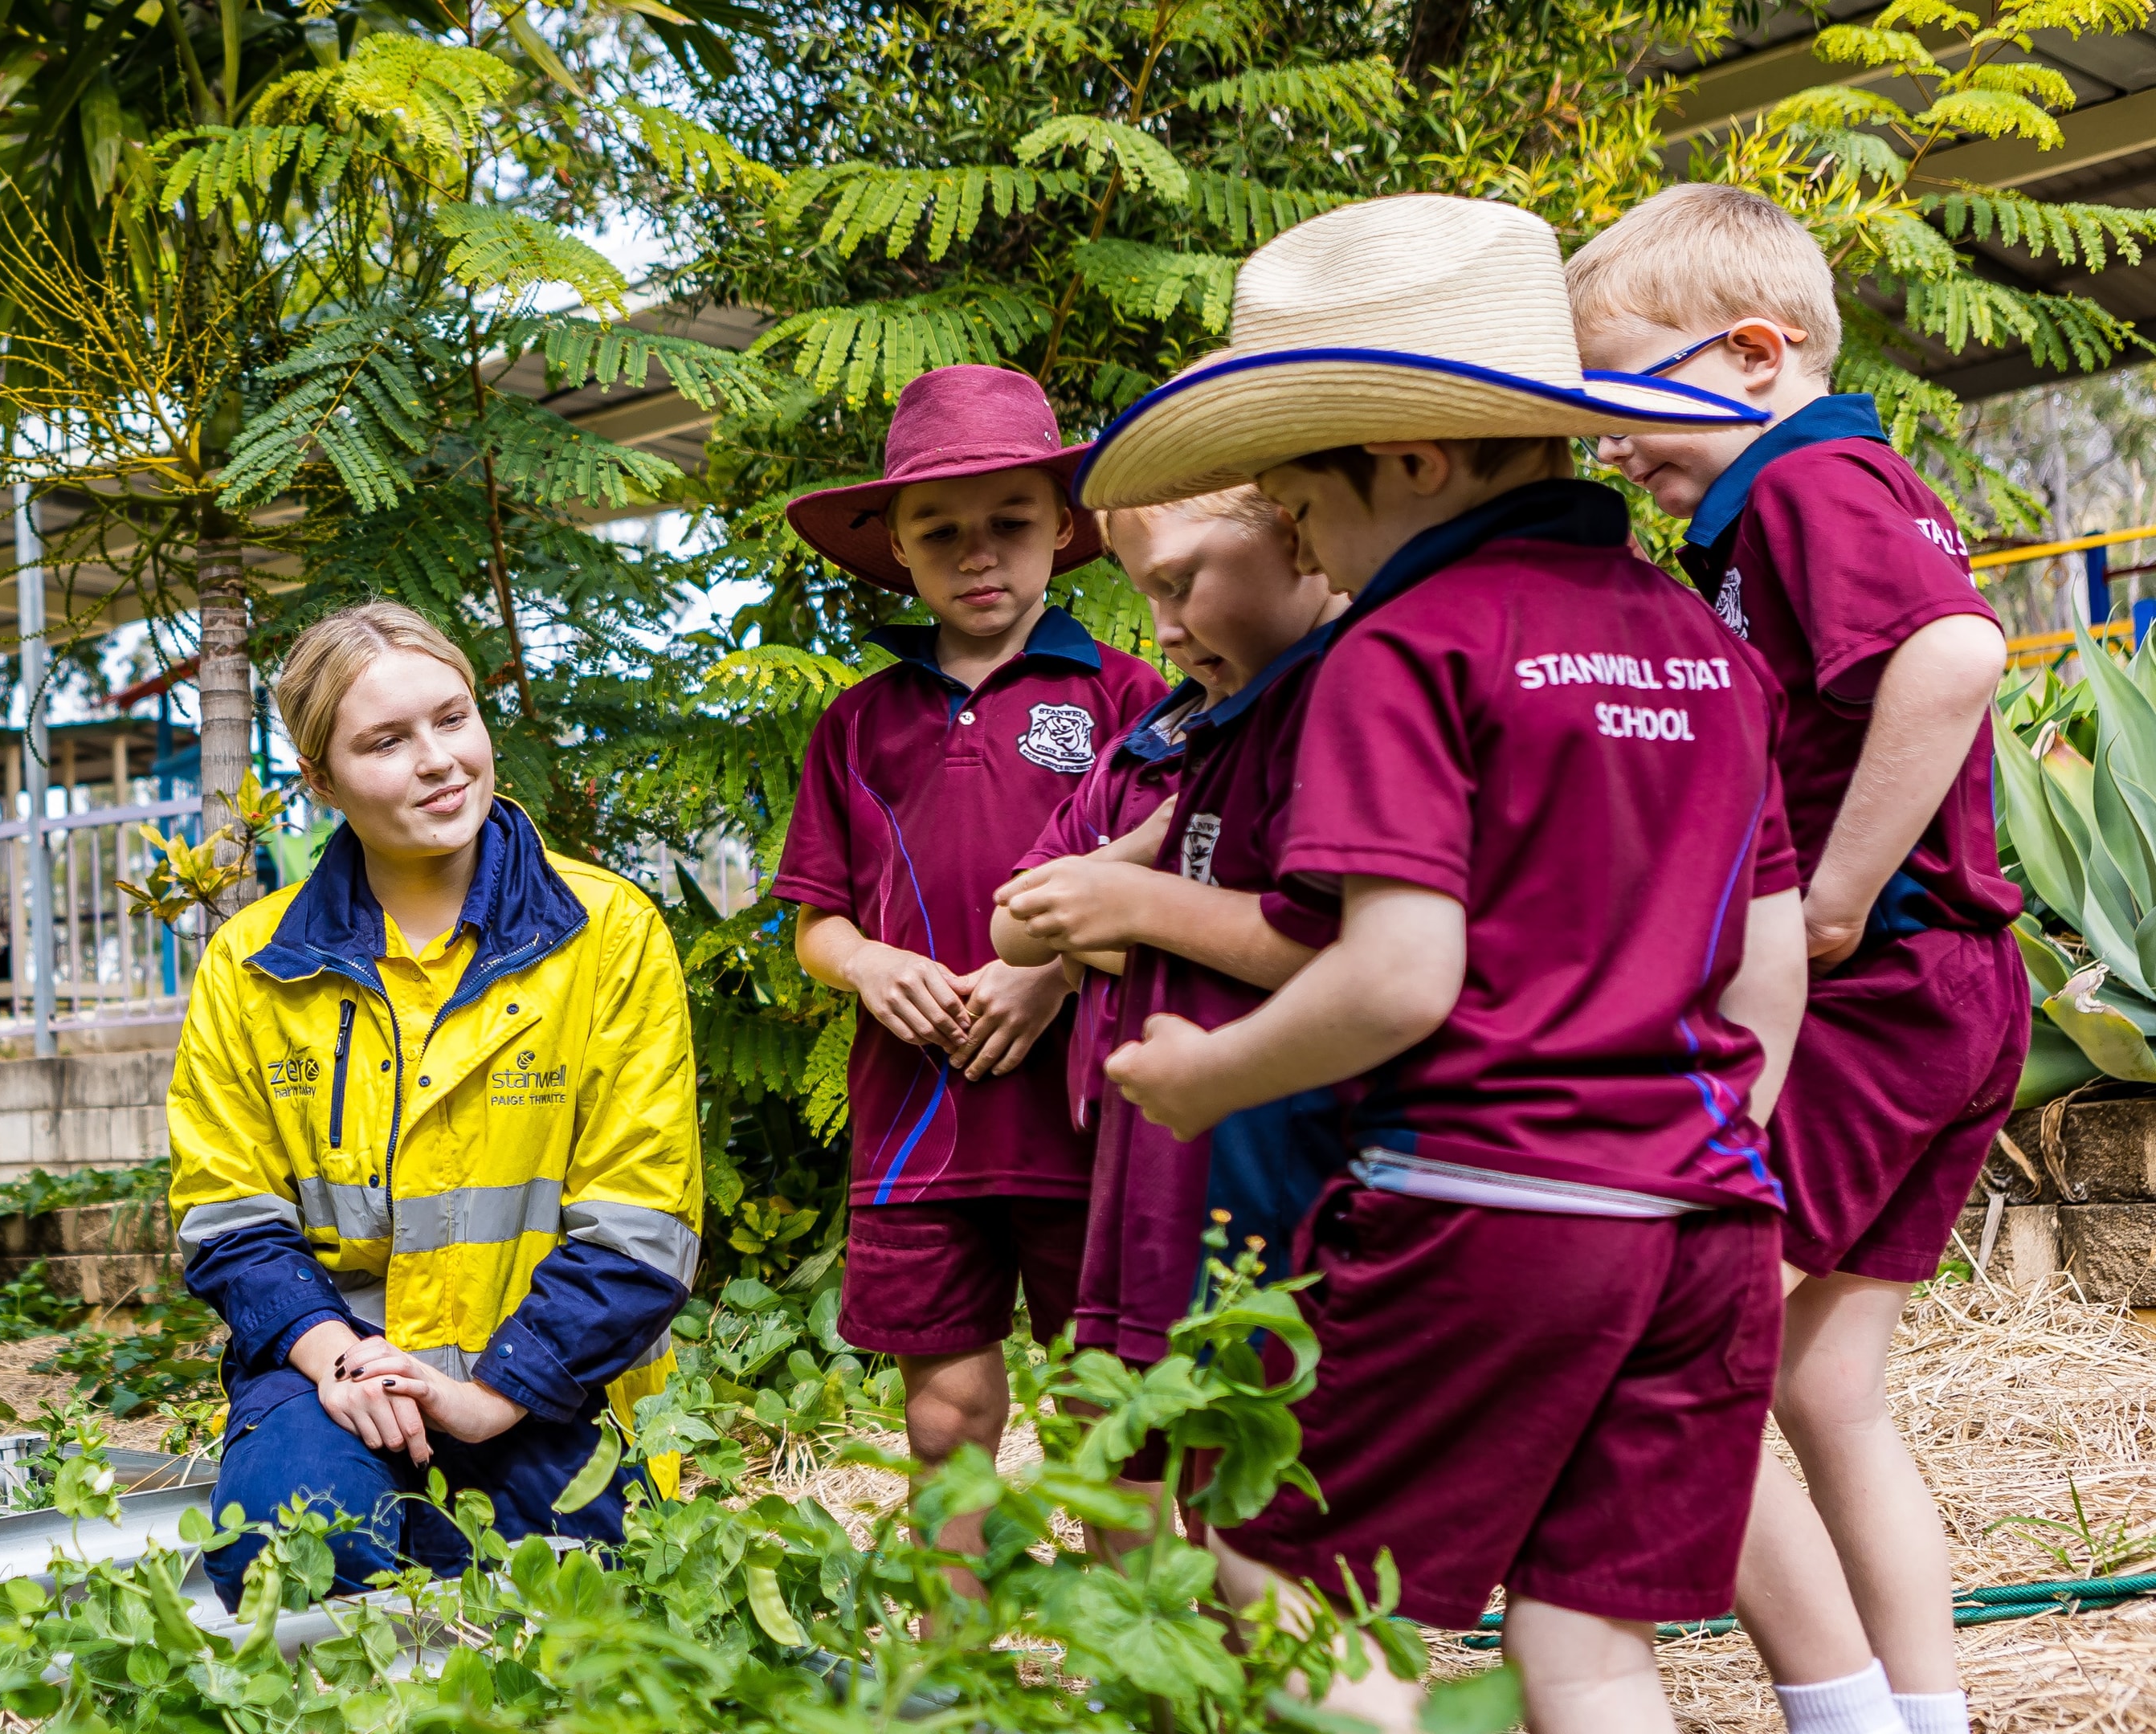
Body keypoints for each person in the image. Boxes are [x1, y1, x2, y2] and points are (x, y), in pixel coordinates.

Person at [1083, 194, 1803, 1734]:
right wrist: (1711, 1142)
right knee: (1588, 1642)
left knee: (1298, 1586)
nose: (1301, 546)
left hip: (1493, 1199)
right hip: (1708, 1222)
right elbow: (1762, 957)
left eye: (1298, 505)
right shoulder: (1705, 647)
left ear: (1407, 460)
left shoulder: (1405, 649)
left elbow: (1400, 975)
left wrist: (1205, 1075)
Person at [1569, 183, 2023, 1734]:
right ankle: (1925, 1711)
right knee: (1826, 1389)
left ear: (1753, 352)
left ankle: (1835, 1707)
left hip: (1879, 988)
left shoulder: (1808, 485)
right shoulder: (1817, 488)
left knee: (1673, 1332)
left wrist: (1828, 900)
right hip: (1950, 994)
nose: (1601, 440)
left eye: (1616, 395)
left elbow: (1958, 653)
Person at [168, 602, 701, 1597]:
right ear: (321, 779)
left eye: (453, 719)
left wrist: (489, 1396)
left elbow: (643, 1223)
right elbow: (227, 1214)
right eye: (386, 740)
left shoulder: (610, 933)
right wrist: (344, 1362)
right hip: (328, 1379)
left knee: (559, 1608)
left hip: (552, 1389)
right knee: (293, 1556)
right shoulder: (250, 964)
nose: (438, 760)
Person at [770, 364, 1168, 1565]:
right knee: (946, 1411)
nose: (978, 553)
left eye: (1011, 523)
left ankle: (1134, 1656)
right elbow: (815, 919)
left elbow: (1175, 880)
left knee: (1112, 1406)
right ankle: (959, 1665)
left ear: (1065, 529)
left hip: (1089, 1109)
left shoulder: (1129, 697)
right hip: (918, 1121)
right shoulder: (860, 720)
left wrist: (1046, 973)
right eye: (940, 529)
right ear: (894, 543)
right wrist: (869, 966)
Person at [991, 485, 1351, 1371]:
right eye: (1146, 594)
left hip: (1298, 1147)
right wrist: (1141, 851)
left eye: (1180, 584)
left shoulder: (1339, 701)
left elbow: (1331, 941)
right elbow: (1018, 922)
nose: (1163, 632)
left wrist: (1121, 916)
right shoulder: (1154, 741)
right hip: (1153, 1145)